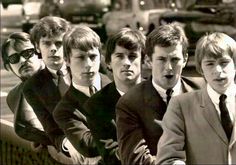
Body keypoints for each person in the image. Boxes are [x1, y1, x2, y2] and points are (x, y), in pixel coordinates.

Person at [115, 23, 205, 165]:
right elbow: (135, 159)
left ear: (185, 59)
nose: (169, 68)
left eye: (175, 59)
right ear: (148, 60)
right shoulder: (130, 103)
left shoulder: (202, 90)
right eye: (162, 60)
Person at [156, 32, 236, 164]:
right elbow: (168, 158)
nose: (217, 70)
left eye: (224, 62)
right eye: (209, 64)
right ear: (201, 68)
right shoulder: (181, 106)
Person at [83, 27, 145, 165]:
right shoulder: (96, 105)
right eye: (119, 56)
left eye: (133, 56)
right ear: (109, 62)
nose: (127, 63)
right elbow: (112, 155)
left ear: (144, 60)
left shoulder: (159, 94)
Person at [53, 25, 111, 164]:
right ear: (67, 60)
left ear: (100, 56)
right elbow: (89, 146)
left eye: (93, 56)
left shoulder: (118, 83)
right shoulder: (64, 110)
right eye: (80, 57)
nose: (88, 64)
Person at [22, 16, 76, 164]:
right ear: (37, 47)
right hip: (67, 153)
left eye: (59, 43)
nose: (53, 48)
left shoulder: (89, 67)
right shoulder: (32, 87)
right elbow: (51, 129)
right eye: (46, 43)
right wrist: (68, 146)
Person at [1, 32, 51, 148]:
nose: (23, 60)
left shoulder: (66, 78)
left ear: (40, 53)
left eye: (28, 53)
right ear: (8, 67)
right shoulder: (13, 97)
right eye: (14, 58)